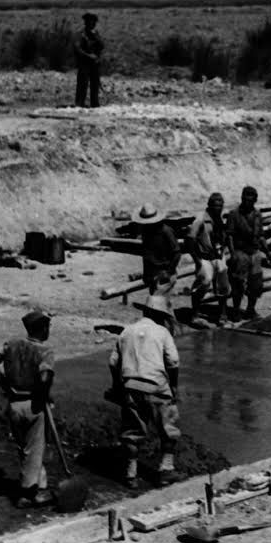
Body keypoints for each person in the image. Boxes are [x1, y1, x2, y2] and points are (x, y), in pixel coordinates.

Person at [0, 309, 55, 508]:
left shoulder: (11, 345)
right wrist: (44, 393)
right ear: (41, 328)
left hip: (13, 404)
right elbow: (45, 376)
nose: (49, 329)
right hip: (33, 405)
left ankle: (40, 486)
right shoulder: (44, 351)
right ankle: (28, 494)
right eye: (47, 326)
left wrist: (3, 382)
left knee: (25, 449)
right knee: (35, 448)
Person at [108, 295, 181, 489]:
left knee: (133, 431)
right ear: (160, 315)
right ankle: (166, 469)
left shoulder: (126, 331)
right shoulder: (162, 332)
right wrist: (173, 387)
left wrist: (117, 386)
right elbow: (173, 362)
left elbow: (113, 362)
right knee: (168, 429)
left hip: (131, 386)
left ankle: (131, 475)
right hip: (156, 386)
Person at [187, 193, 231, 328]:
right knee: (204, 282)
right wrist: (197, 260)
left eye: (220, 206)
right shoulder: (200, 220)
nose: (218, 208)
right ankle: (195, 314)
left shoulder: (220, 218)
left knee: (223, 284)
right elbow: (189, 239)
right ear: (209, 205)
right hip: (204, 256)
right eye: (215, 205)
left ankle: (222, 315)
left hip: (218, 255)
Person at [225, 186, 268, 320]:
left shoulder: (257, 215)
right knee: (238, 284)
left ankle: (250, 310)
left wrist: (268, 252)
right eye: (246, 196)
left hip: (255, 253)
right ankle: (236, 310)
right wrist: (233, 254)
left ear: (255, 199)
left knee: (255, 284)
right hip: (240, 252)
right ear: (242, 198)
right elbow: (229, 236)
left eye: (251, 196)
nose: (248, 199)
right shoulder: (234, 215)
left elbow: (261, 236)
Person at [136, 204, 180, 296]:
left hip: (165, 271)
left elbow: (177, 253)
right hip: (152, 273)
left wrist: (169, 272)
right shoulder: (146, 233)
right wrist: (146, 274)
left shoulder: (166, 231)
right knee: (154, 300)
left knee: (159, 301)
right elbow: (146, 255)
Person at [75, 12, 104, 108]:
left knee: (95, 85)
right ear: (86, 23)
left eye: (94, 22)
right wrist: (88, 56)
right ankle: (79, 104)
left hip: (94, 64)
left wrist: (96, 37)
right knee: (82, 85)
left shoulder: (96, 34)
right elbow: (77, 49)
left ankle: (95, 103)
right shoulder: (81, 35)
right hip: (84, 63)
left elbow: (101, 46)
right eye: (91, 22)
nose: (92, 24)